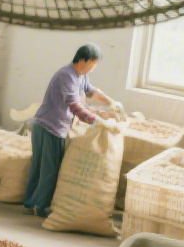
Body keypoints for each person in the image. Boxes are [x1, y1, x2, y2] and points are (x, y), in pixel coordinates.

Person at [22, 44, 118, 217]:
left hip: (49, 125)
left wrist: (111, 102)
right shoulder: (67, 76)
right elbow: (74, 105)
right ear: (83, 61)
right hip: (50, 127)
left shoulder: (81, 76)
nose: (94, 68)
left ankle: (31, 202)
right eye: (93, 64)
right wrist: (95, 121)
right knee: (48, 170)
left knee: (41, 167)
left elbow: (91, 91)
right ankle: (39, 206)